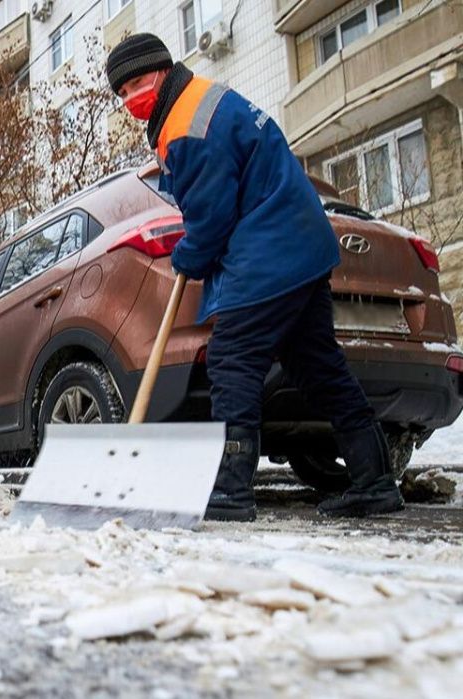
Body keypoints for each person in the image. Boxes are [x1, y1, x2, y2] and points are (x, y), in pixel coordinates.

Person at [104, 34, 403, 521]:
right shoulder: (204, 98)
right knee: (320, 367)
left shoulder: (186, 126)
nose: (130, 97)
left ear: (161, 70)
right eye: (122, 92)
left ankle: (231, 491)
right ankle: (376, 482)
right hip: (302, 245)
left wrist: (188, 258)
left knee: (232, 360)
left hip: (270, 251)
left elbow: (210, 217)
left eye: (137, 82)